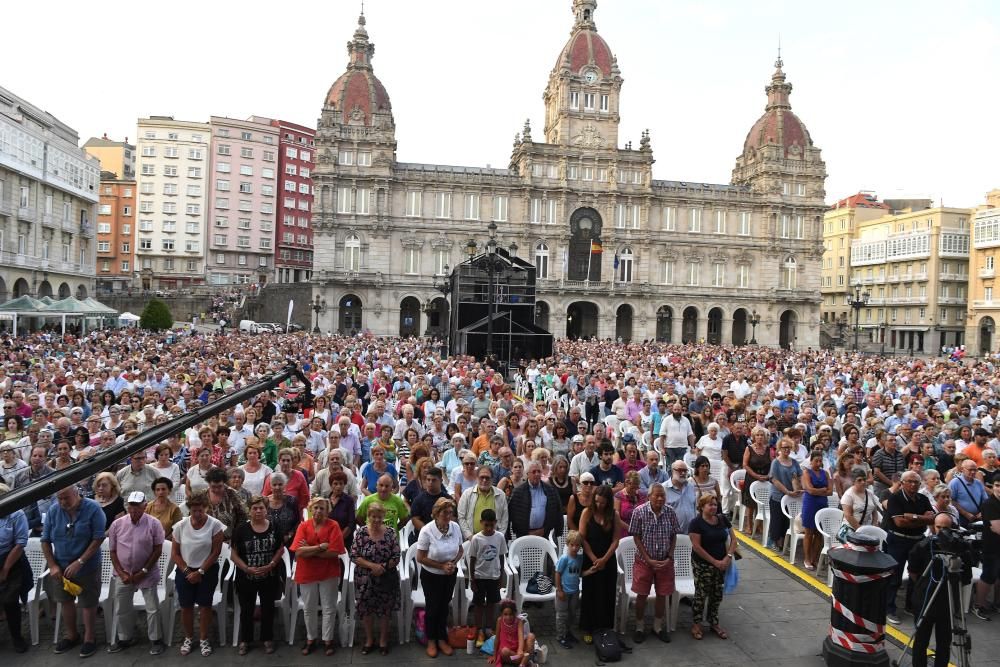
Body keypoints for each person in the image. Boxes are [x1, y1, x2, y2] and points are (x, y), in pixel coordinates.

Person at [42, 484, 105, 658]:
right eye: (60, 498)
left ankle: (89, 638)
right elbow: (45, 540)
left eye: (66, 498)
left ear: (76, 494)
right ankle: (71, 635)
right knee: (65, 601)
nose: (63, 502)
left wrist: (80, 561)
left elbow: (98, 537)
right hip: (60, 565)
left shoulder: (93, 508)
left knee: (88, 602)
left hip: (87, 565)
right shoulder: (54, 511)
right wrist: (53, 565)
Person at [907, 513, 971, 667]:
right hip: (925, 598)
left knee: (944, 642)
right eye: (939, 527)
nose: (942, 532)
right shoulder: (923, 546)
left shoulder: (959, 549)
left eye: (946, 528)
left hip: (947, 602)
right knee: (921, 640)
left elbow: (966, 577)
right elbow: (913, 572)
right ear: (932, 527)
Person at [107, 491, 166, 655]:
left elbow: (157, 549)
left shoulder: (153, 523)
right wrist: (121, 572)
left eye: (137, 508)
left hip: (147, 572)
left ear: (144, 506)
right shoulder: (117, 524)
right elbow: (113, 551)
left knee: (152, 607)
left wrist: (144, 570)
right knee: (122, 607)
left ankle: (156, 639)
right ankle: (125, 637)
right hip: (123, 572)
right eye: (131, 508)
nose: (133, 511)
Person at [171, 492, 225, 656]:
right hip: (185, 571)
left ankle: (203, 638)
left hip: (207, 570)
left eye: (200, 510)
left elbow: (216, 552)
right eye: (194, 510)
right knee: (186, 606)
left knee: (205, 606)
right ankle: (188, 637)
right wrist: (188, 571)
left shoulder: (215, 525)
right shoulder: (180, 526)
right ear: (189, 510)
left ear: (206, 508)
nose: (197, 514)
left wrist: (200, 571)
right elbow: (175, 553)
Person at [231, 495, 285, 656]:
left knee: (268, 608)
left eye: (261, 507)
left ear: (266, 509)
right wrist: (246, 568)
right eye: (255, 508)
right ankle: (245, 640)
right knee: (246, 609)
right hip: (246, 577)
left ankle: (267, 638)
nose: (258, 511)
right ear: (249, 510)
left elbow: (280, 549)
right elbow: (233, 554)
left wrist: (271, 565)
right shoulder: (241, 529)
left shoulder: (275, 526)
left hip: (269, 575)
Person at [292, 497, 345, 656]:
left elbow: (335, 552)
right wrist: (320, 547)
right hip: (306, 572)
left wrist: (309, 550)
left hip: (328, 571)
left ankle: (328, 640)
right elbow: (298, 551)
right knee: (309, 607)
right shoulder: (303, 526)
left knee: (329, 607)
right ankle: (310, 639)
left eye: (322, 508)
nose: (318, 511)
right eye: (315, 508)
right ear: (310, 509)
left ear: (327, 511)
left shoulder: (333, 525)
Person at [628, 482, 680, 643]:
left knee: (662, 594)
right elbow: (636, 536)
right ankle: (639, 627)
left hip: (665, 561)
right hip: (644, 561)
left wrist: (670, 557)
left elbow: (674, 535)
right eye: (656, 495)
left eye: (662, 495)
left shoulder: (670, 512)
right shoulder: (639, 512)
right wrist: (648, 558)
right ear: (649, 496)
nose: (660, 498)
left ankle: (657, 626)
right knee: (642, 594)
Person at [881, 470, 934, 625]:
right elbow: (899, 523)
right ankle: (889, 608)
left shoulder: (923, 498)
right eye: (909, 481)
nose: (913, 485)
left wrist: (913, 517)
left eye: (916, 482)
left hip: (918, 540)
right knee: (894, 575)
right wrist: (921, 519)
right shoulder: (895, 499)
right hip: (898, 540)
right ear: (902, 483)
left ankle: (911, 605)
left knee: (916, 575)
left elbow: (931, 519)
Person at [351, 500, 401, 656]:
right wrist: (372, 566)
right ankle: (369, 640)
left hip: (386, 576)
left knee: (385, 610)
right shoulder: (361, 533)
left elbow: (397, 556)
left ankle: (383, 640)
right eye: (373, 517)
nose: (377, 520)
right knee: (366, 610)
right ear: (368, 516)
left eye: (379, 517)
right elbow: (354, 555)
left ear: (383, 516)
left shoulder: (391, 533)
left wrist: (383, 567)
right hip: (365, 577)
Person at [416, 497, 463, 658]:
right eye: (445, 512)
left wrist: (452, 564)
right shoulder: (427, 531)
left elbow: (460, 550)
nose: (448, 516)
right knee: (433, 607)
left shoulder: (455, 527)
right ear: (436, 513)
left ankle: (442, 638)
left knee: (444, 607)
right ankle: (431, 639)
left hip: (449, 574)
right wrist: (441, 566)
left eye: (450, 512)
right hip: (431, 575)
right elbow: (420, 557)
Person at [688, 493, 737, 640]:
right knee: (701, 595)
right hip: (703, 564)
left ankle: (713, 622)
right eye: (710, 504)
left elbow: (734, 540)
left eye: (715, 504)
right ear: (702, 506)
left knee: (717, 594)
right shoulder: (696, 523)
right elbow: (697, 547)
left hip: (722, 563)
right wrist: (714, 562)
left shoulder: (722, 519)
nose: (713, 507)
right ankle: (696, 624)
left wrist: (727, 557)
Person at [579, 485, 624, 643]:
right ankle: (589, 627)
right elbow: (582, 538)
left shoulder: (614, 515)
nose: (599, 505)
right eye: (597, 502)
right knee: (590, 594)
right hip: (590, 558)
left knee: (607, 593)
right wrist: (594, 559)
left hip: (608, 558)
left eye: (603, 503)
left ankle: (605, 627)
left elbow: (616, 539)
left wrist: (604, 559)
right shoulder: (587, 513)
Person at [468, 508, 508, 647]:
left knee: (491, 603)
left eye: (492, 525)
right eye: (486, 525)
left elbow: (501, 556)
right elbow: (472, 559)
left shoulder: (500, 537)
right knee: (479, 605)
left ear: (496, 523)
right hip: (479, 577)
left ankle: (489, 628)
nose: (490, 528)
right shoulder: (476, 539)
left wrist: (501, 576)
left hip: (494, 576)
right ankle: (479, 629)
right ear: (481, 523)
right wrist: (472, 579)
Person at [0, 483, 32, 653]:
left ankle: (17, 638)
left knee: (10, 601)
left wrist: (5, 569)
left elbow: (20, 543)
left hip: (12, 559)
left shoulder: (16, 514)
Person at [508, 461, 563, 539]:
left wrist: (545, 529)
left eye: (539, 471)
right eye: (534, 472)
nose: (537, 474)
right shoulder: (518, 492)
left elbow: (556, 512)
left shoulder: (550, 490)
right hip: (524, 536)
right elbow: (514, 515)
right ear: (527, 474)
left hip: (544, 534)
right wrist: (527, 532)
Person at [973, 476, 1000, 621]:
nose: (999, 488)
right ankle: (979, 605)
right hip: (992, 546)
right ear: (993, 486)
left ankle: (997, 603)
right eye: (997, 485)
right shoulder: (990, 504)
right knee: (988, 575)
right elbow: (997, 528)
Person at [458, 465, 510, 541]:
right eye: (482, 477)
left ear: (492, 479)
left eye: (487, 477)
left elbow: (504, 519)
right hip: (472, 539)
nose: (484, 480)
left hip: (495, 540)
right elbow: (461, 517)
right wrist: (469, 536)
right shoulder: (467, 494)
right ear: (476, 478)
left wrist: (499, 537)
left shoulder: (501, 495)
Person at [768, 439, 802, 552]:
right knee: (777, 520)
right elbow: (774, 480)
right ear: (779, 449)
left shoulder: (794, 462)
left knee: (787, 520)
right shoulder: (776, 462)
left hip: (791, 497)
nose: (786, 449)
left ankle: (784, 542)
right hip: (778, 495)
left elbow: (799, 476)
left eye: (788, 447)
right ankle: (775, 542)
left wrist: (799, 489)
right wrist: (787, 491)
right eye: (784, 447)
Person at [800, 451, 832, 571]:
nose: (819, 463)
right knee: (809, 532)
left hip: (822, 504)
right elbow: (809, 490)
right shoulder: (806, 472)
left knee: (819, 533)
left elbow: (830, 491)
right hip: (810, 504)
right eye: (816, 461)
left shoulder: (826, 473)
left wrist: (817, 490)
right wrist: (822, 490)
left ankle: (814, 558)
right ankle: (807, 558)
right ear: (811, 461)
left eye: (820, 461)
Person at [554, 529, 583, 649]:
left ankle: (568, 632)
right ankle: (560, 636)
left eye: (577, 545)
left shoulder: (580, 559)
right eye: (572, 545)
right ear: (567, 544)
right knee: (561, 615)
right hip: (564, 592)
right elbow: (557, 573)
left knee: (572, 613)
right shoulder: (564, 559)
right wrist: (559, 590)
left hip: (575, 591)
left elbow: (580, 573)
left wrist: (590, 571)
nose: (575, 548)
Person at [741, 426, 772, 533]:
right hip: (752, 477)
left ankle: (759, 525)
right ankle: (749, 525)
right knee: (751, 504)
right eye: (757, 435)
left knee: (762, 502)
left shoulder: (768, 449)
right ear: (754, 436)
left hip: (765, 478)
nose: (760, 437)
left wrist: (768, 475)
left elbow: (772, 464)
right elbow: (745, 465)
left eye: (762, 435)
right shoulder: (749, 448)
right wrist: (755, 475)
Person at [493, 599, 536, 667]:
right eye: (505, 614)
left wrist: (520, 650)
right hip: (509, 655)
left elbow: (521, 636)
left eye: (511, 614)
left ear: (515, 613)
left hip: (518, 652)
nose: (508, 617)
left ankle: (522, 664)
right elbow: (497, 639)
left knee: (531, 636)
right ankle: (526, 661)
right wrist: (494, 655)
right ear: (502, 614)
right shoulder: (499, 620)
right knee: (504, 651)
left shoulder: (519, 621)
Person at [839, 467, 880, 538]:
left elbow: (875, 512)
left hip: (867, 529)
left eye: (864, 479)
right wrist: (861, 530)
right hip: (851, 530)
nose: (863, 482)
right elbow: (848, 516)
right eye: (859, 480)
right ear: (853, 482)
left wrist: (874, 525)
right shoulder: (848, 495)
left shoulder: (870, 493)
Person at [948, 459, 987, 529]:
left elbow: (985, 500)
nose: (973, 472)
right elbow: (951, 500)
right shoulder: (955, 483)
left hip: (978, 517)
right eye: (970, 470)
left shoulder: (978, 483)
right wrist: (966, 513)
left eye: (975, 470)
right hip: (962, 518)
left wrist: (982, 512)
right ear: (963, 469)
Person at [665, 460, 698, 533]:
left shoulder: (691, 486)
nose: (683, 473)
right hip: (671, 534)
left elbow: (694, 508)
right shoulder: (663, 488)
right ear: (673, 471)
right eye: (680, 470)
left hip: (691, 532)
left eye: (685, 470)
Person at [615, 470, 648, 536]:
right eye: (632, 487)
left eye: (637, 487)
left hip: (641, 532)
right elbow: (616, 519)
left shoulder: (642, 495)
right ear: (626, 483)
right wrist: (631, 529)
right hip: (624, 532)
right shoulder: (618, 496)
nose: (635, 490)